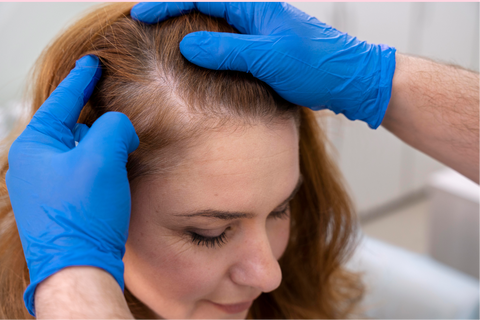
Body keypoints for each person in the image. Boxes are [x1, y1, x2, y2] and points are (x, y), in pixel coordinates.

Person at [3, 1, 480, 319]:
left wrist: (379, 78)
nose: (270, 273)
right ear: (96, 206)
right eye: (208, 233)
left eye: (280, 209)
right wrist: (73, 283)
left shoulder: (293, 286)